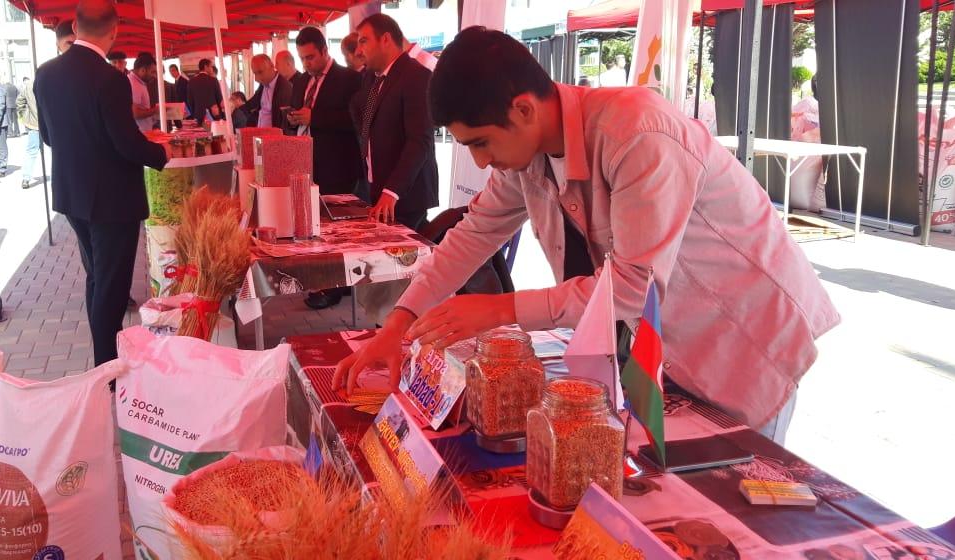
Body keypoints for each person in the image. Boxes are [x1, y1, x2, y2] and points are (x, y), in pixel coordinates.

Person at [332, 27, 840, 444]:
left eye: (482, 143)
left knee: (725, 502)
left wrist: (499, 310)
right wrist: (397, 325)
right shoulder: (524, 157)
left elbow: (632, 287)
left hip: (742, 337)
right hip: (660, 350)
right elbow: (471, 235)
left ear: (524, 109)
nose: (481, 162)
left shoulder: (638, 133)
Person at [35, 0, 168, 366]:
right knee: (110, 287)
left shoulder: (45, 74)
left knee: (97, 278)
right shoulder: (111, 79)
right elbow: (126, 143)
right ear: (114, 31)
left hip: (72, 195)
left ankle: (105, 363)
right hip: (112, 201)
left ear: (76, 28)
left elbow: (47, 136)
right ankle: (107, 370)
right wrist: (162, 152)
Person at [287, 27, 365, 310]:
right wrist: (294, 119)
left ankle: (336, 287)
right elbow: (299, 113)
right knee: (314, 226)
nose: (306, 63)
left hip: (338, 165)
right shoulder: (301, 81)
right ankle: (323, 279)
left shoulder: (349, 78)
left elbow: (355, 120)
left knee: (336, 230)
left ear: (324, 50)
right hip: (306, 162)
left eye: (310, 57)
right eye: (302, 58)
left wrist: (314, 117)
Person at [350, 13, 437, 230]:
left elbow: (420, 141)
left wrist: (392, 191)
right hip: (375, 189)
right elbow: (364, 120)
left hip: (404, 196)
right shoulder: (373, 78)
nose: (358, 51)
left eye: (364, 41)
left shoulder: (416, 76)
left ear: (385, 39)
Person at [240, 54, 293, 130]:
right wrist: (234, 108)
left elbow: (285, 122)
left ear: (272, 66)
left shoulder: (285, 88)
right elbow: (252, 104)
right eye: (255, 73)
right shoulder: (263, 84)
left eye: (260, 72)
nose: (257, 79)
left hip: (273, 135)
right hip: (259, 133)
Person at [16, 76, 41, 189]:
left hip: (34, 124)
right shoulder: (53, 82)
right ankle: (58, 178)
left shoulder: (29, 85)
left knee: (31, 152)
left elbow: (19, 101)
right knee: (54, 152)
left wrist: (24, 115)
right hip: (51, 124)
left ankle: (26, 178)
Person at [128, 53, 159, 132]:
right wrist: (156, 110)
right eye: (152, 72)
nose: (154, 76)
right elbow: (135, 113)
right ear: (143, 70)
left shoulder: (139, 82)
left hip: (144, 131)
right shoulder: (134, 84)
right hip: (140, 133)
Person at [187, 58, 223, 124]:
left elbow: (190, 100)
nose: (212, 69)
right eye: (211, 66)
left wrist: (194, 113)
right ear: (206, 67)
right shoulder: (213, 80)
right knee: (214, 130)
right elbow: (219, 99)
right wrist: (220, 113)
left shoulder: (191, 81)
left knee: (200, 131)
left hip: (198, 115)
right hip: (213, 114)